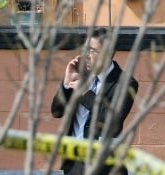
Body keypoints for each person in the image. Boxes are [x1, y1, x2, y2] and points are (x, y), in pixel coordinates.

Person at [50, 27, 139, 175]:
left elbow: (113, 121)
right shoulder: (81, 75)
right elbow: (56, 111)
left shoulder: (125, 83)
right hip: (73, 166)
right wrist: (66, 83)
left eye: (92, 51)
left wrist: (85, 93)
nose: (86, 56)